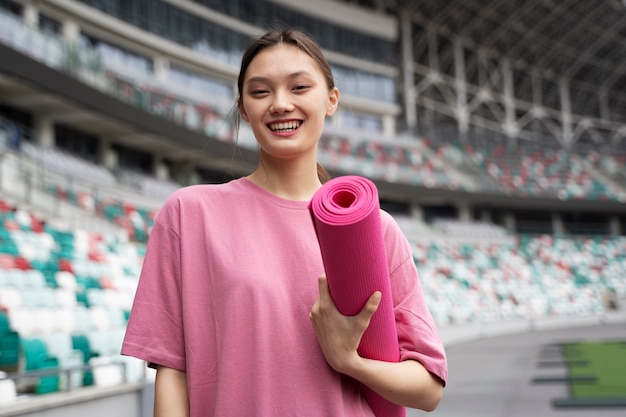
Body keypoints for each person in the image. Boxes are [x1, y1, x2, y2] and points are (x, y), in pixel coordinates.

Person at [121, 28, 447, 417]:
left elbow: (428, 390)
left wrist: (350, 361)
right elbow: (172, 372)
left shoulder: (375, 231)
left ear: (331, 100)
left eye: (299, 88)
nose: (280, 104)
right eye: (260, 92)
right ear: (243, 108)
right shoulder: (189, 214)